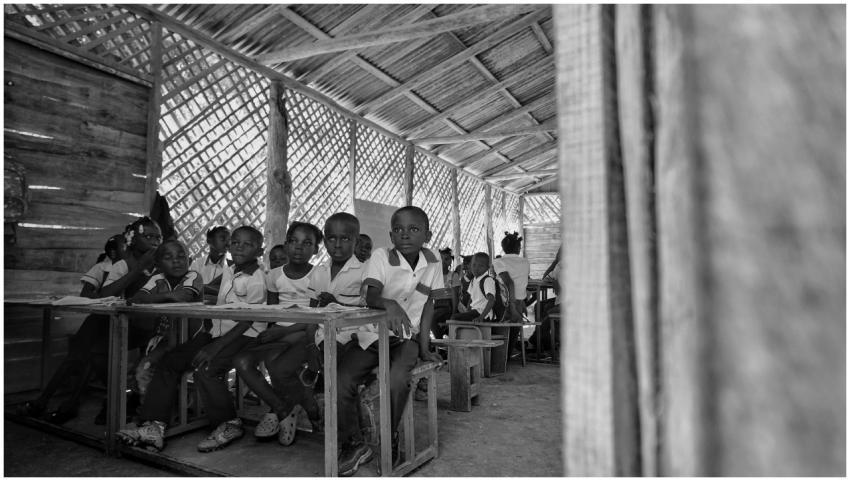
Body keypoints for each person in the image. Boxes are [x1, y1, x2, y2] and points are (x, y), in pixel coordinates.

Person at [19, 218, 162, 425]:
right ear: (132, 239)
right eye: (148, 236)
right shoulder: (123, 265)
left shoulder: (163, 263)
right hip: (114, 322)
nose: (155, 241)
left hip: (139, 326)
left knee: (91, 352)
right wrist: (138, 269)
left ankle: (69, 403)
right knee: (85, 350)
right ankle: (59, 403)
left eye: (158, 237)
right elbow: (105, 294)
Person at [335, 206, 444, 476]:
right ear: (391, 235)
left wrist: (425, 348)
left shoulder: (433, 261)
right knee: (342, 378)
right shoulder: (381, 256)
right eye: (398, 229)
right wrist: (390, 304)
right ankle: (353, 442)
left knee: (397, 379)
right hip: (372, 333)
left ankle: (389, 435)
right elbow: (371, 295)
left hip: (406, 338)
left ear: (427, 235)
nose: (405, 234)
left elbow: (429, 305)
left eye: (414, 229)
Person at [232, 221, 322, 446]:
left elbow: (315, 318)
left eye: (306, 243)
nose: (298, 247)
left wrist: (282, 333)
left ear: (315, 249)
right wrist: (272, 332)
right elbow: (272, 312)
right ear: (286, 243)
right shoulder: (273, 275)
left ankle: (294, 407)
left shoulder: (319, 275)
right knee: (242, 361)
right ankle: (284, 408)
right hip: (279, 332)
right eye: (293, 241)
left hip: (306, 332)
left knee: (276, 365)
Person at [493, 231, 531, 360]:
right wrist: (519, 303)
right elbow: (521, 283)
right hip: (519, 302)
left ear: (503, 247)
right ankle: (507, 357)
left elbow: (509, 283)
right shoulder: (525, 262)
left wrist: (512, 306)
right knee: (514, 331)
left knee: (501, 331)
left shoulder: (498, 262)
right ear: (518, 248)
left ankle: (500, 358)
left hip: (504, 303)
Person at [189, 225, 230, 302]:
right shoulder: (197, 265)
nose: (228, 243)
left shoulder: (231, 265)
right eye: (223, 239)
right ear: (209, 241)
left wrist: (203, 289)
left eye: (229, 240)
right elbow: (192, 290)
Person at [453, 252, 497, 323]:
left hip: (484, 314)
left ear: (487, 268)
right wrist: (467, 312)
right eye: (474, 265)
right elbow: (471, 299)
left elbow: (491, 300)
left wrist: (481, 317)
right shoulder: (473, 280)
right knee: (455, 317)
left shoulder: (487, 280)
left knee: (455, 318)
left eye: (481, 266)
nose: (476, 268)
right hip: (474, 312)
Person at [79, 233, 126, 298]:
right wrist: (105, 298)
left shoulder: (133, 267)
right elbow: (85, 293)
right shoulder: (101, 267)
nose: (112, 251)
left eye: (116, 248)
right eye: (110, 248)